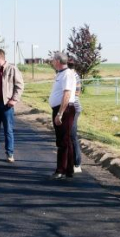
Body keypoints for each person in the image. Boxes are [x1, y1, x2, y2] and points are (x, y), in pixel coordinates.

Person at [0, 48, 24, 163]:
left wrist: (14, 100)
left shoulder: (12, 69)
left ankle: (9, 153)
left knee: (8, 130)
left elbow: (20, 85)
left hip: (6, 105)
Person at [48, 51, 77, 180]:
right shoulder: (61, 74)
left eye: (53, 60)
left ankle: (61, 170)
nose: (52, 62)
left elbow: (67, 94)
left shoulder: (67, 74)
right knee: (66, 140)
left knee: (63, 141)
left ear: (58, 61)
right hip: (60, 109)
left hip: (64, 110)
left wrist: (60, 113)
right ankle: (69, 169)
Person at [68, 59, 83, 173]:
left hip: (73, 108)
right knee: (70, 136)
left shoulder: (72, 76)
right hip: (72, 108)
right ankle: (72, 162)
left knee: (72, 135)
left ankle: (77, 164)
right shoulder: (74, 75)